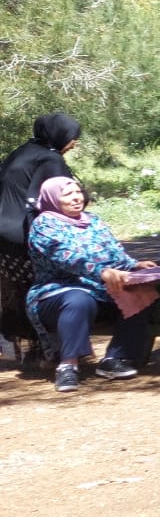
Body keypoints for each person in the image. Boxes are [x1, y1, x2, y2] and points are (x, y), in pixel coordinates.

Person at [26, 177, 158, 392]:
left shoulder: (93, 220)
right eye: (68, 194)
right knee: (79, 299)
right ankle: (68, 366)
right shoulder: (44, 225)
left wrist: (134, 265)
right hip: (56, 293)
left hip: (100, 290)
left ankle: (116, 358)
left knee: (141, 292)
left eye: (78, 192)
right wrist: (101, 272)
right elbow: (67, 258)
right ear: (52, 198)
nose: (76, 198)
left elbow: (115, 252)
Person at [0, 113, 80, 361]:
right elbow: (54, 199)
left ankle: (23, 347)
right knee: (49, 288)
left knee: (17, 290)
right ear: (59, 135)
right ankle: (53, 349)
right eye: (73, 137)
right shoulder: (50, 158)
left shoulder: (21, 152)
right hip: (24, 234)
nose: (74, 143)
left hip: (4, 233)